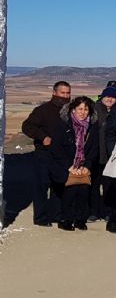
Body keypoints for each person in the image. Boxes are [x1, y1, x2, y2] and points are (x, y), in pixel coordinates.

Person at [22, 80, 71, 226]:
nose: (65, 96)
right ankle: (41, 218)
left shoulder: (70, 110)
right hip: (44, 154)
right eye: (62, 92)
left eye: (68, 93)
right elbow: (27, 126)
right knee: (42, 185)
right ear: (54, 93)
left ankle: (56, 214)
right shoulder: (42, 110)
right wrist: (42, 137)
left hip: (62, 155)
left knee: (59, 185)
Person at [49, 96, 99, 231]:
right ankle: (65, 220)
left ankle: (80, 220)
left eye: (86, 109)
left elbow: (94, 148)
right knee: (69, 193)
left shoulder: (92, 127)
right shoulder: (63, 125)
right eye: (80, 109)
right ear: (73, 110)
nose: (82, 112)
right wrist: (69, 167)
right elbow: (56, 148)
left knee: (83, 192)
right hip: (65, 165)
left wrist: (87, 166)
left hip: (83, 166)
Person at [88, 86, 116, 222]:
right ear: (102, 97)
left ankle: (107, 211)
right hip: (95, 154)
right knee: (93, 186)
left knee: (109, 186)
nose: (109, 99)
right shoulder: (94, 110)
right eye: (107, 97)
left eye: (112, 97)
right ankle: (94, 212)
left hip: (110, 156)